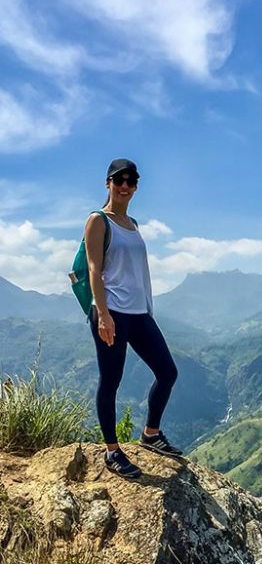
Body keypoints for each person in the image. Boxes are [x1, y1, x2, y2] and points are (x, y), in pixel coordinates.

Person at [85, 158, 182, 479]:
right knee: (110, 381)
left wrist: (148, 307)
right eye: (119, 179)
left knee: (168, 372)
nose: (125, 185)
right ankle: (112, 452)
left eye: (131, 180)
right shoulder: (99, 221)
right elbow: (94, 270)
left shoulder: (133, 225)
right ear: (108, 183)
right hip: (112, 313)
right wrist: (103, 315)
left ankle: (150, 434)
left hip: (139, 313)